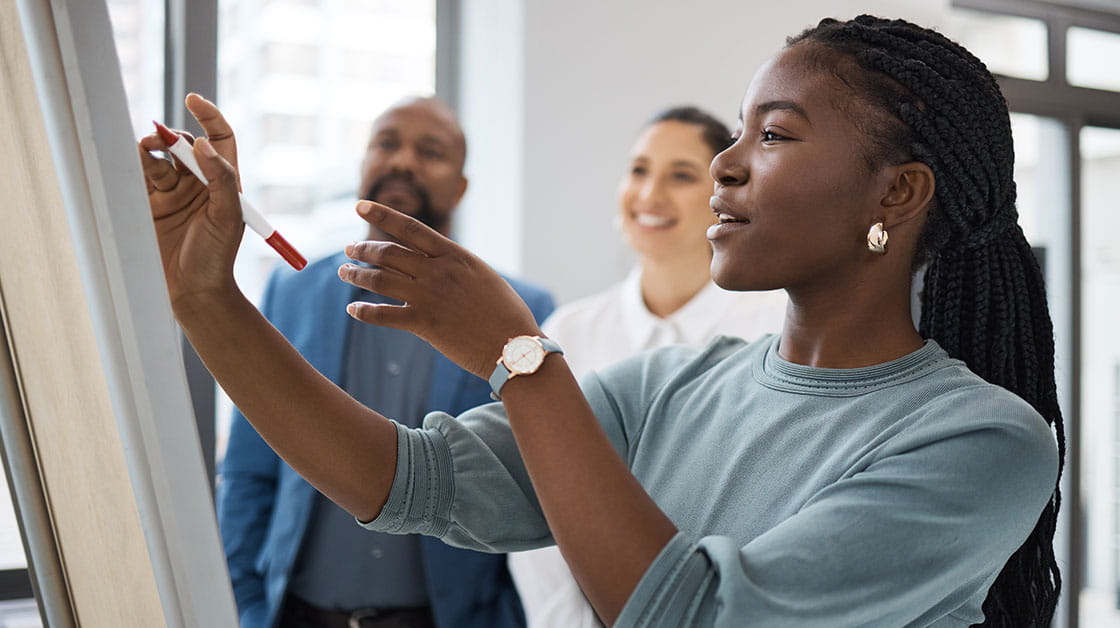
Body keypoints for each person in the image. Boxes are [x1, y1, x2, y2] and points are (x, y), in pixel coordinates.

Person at [140, 15, 1063, 626]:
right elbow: (409, 482)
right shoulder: (673, 385)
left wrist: (521, 360)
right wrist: (203, 296)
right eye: (736, 133)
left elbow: (695, 616)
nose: (727, 167)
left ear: (897, 193)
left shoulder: (981, 439)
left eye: (773, 135)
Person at [212, 96, 553, 628]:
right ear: (363, 164)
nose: (403, 162)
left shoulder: (520, 309)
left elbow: (534, 485)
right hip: (295, 613)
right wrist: (247, 606)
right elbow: (249, 469)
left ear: (461, 187)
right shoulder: (292, 289)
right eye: (387, 144)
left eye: (431, 151)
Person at [506, 106, 786, 628]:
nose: (649, 194)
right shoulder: (569, 332)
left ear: (723, 194)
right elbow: (535, 505)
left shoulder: (777, 332)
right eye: (638, 170)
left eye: (680, 175)